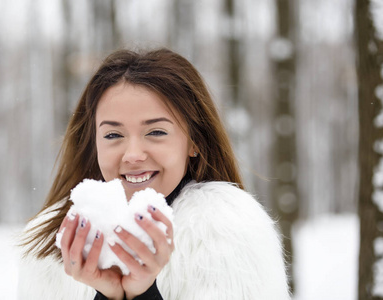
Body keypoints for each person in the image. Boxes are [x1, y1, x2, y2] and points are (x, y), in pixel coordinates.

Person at [19, 48, 290, 300]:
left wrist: (144, 294)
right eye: (113, 135)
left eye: (156, 132)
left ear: (194, 141)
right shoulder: (50, 249)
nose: (133, 154)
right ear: (94, 144)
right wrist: (109, 295)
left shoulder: (229, 236)